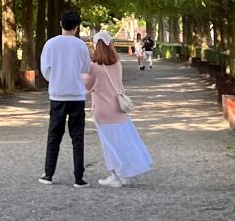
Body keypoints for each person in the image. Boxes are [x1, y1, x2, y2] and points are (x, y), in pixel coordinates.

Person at [87, 31, 154, 186]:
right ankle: (124, 171)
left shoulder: (94, 67)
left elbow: (87, 86)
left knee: (108, 144)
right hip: (118, 108)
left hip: (102, 110)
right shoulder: (116, 64)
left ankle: (115, 175)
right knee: (122, 141)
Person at [40, 9, 92, 186]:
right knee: (77, 137)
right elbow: (86, 68)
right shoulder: (81, 46)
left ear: (61, 24)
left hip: (57, 94)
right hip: (77, 95)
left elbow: (45, 70)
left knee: (54, 135)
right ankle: (79, 177)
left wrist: (56, 79)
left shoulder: (51, 44)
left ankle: (48, 174)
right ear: (77, 27)